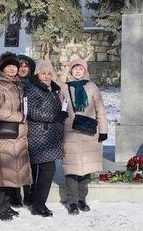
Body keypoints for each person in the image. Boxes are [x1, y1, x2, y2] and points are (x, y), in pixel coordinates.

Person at [0, 53, 32, 221]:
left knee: (9, 175)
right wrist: (18, 116)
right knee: (1, 175)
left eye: (15, 66)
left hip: (15, 137)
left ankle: (6, 205)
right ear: (3, 67)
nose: (13, 69)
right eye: (9, 66)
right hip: (3, 137)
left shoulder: (16, 84)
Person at [62, 58, 109, 215]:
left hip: (89, 133)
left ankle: (82, 199)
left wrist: (103, 130)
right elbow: (59, 110)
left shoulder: (92, 87)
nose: (77, 71)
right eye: (74, 68)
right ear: (70, 70)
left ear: (85, 71)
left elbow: (100, 109)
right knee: (72, 169)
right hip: (70, 133)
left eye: (80, 69)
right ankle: (73, 202)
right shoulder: (64, 88)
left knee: (86, 169)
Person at [25, 59, 66, 217]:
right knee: (48, 170)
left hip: (50, 135)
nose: (47, 76)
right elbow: (32, 111)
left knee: (45, 170)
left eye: (49, 73)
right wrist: (55, 116)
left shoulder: (53, 89)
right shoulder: (32, 88)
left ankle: (37, 202)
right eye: (44, 73)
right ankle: (38, 205)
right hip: (39, 136)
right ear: (37, 74)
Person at [15, 53, 36, 206]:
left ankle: (29, 193)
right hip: (15, 126)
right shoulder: (11, 82)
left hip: (33, 128)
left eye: (26, 66)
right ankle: (15, 195)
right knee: (15, 162)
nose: (23, 68)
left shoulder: (35, 84)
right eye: (20, 65)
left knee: (31, 162)